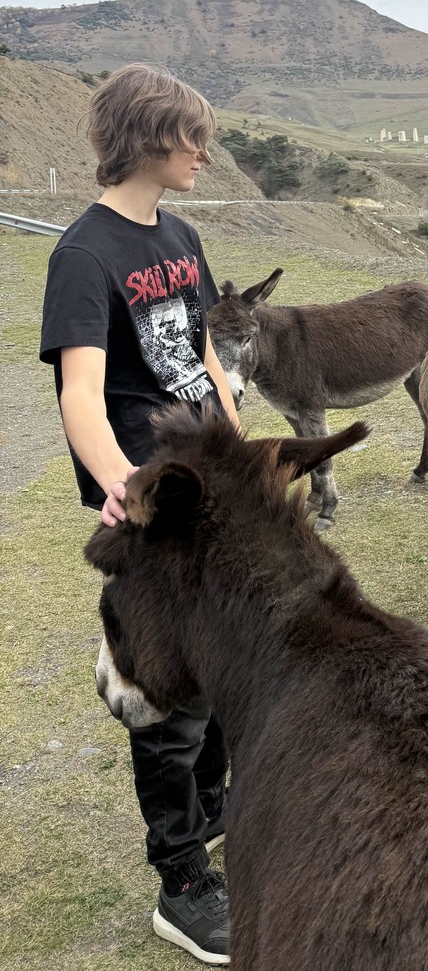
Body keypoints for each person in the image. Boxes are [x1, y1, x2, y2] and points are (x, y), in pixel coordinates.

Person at [40, 64, 241, 964]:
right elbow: (80, 389)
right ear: (149, 139)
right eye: (190, 136)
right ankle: (181, 880)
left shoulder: (183, 233)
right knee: (169, 703)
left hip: (210, 491)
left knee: (224, 672)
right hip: (152, 507)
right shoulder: (82, 255)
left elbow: (199, 354)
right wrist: (125, 482)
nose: (203, 151)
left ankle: (226, 815)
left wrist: (239, 452)